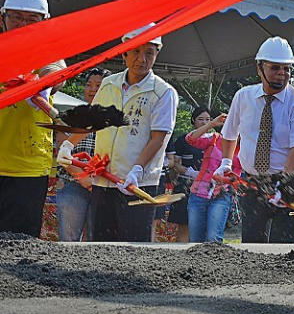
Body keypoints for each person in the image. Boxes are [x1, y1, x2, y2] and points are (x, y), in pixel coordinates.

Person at [75, 24, 179, 242]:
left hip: (136, 184)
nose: (141, 59)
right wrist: (68, 144)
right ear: (124, 52)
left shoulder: (163, 92)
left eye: (149, 53)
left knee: (133, 247)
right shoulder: (108, 84)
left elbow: (159, 138)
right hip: (103, 179)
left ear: (157, 54)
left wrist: (137, 170)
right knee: (100, 244)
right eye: (136, 51)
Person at [215, 36, 294, 243]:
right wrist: (225, 163)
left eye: (287, 69)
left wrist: (283, 184)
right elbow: (229, 133)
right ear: (259, 68)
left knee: (285, 247)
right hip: (252, 181)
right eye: (275, 68)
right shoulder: (243, 97)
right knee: (252, 244)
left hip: (287, 180)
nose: (282, 74)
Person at [0, 0, 59, 237]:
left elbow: (56, 73)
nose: (22, 24)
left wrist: (42, 83)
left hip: (28, 168)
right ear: (3, 18)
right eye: (16, 17)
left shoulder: (49, 51)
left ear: (44, 23)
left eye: (31, 19)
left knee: (20, 244)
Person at [56, 68, 108, 241]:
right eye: (89, 85)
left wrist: (95, 181)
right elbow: (60, 149)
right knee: (68, 239)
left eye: (98, 85)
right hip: (72, 184)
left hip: (104, 186)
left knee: (98, 241)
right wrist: (83, 178)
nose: (92, 89)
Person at [184, 110, 233, 243]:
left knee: (213, 240)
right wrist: (211, 124)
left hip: (222, 195)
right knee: (195, 241)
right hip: (198, 193)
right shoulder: (215, 138)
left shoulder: (245, 147)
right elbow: (190, 138)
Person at [166, 105, 210, 242]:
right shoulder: (183, 140)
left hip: (208, 186)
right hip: (186, 184)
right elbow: (175, 164)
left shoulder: (216, 140)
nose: (204, 122)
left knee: (208, 224)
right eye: (200, 119)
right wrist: (190, 172)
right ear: (193, 121)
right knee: (184, 224)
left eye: (208, 119)